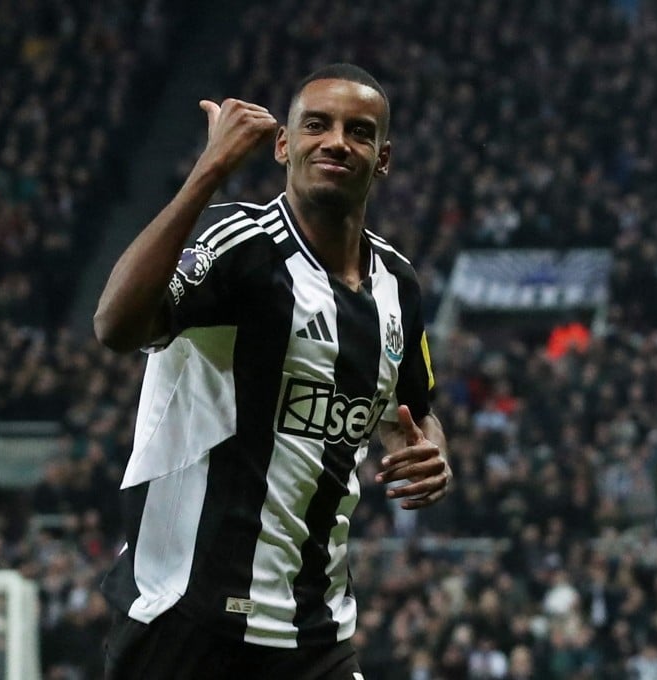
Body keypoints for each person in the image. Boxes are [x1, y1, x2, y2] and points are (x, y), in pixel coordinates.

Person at [94, 63, 452, 679]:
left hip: (316, 629)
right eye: (317, 125)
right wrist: (209, 170)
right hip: (190, 620)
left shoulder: (400, 285)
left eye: (359, 131)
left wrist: (430, 452)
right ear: (284, 145)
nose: (337, 141)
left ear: (383, 157)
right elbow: (116, 326)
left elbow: (409, 413)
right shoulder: (240, 244)